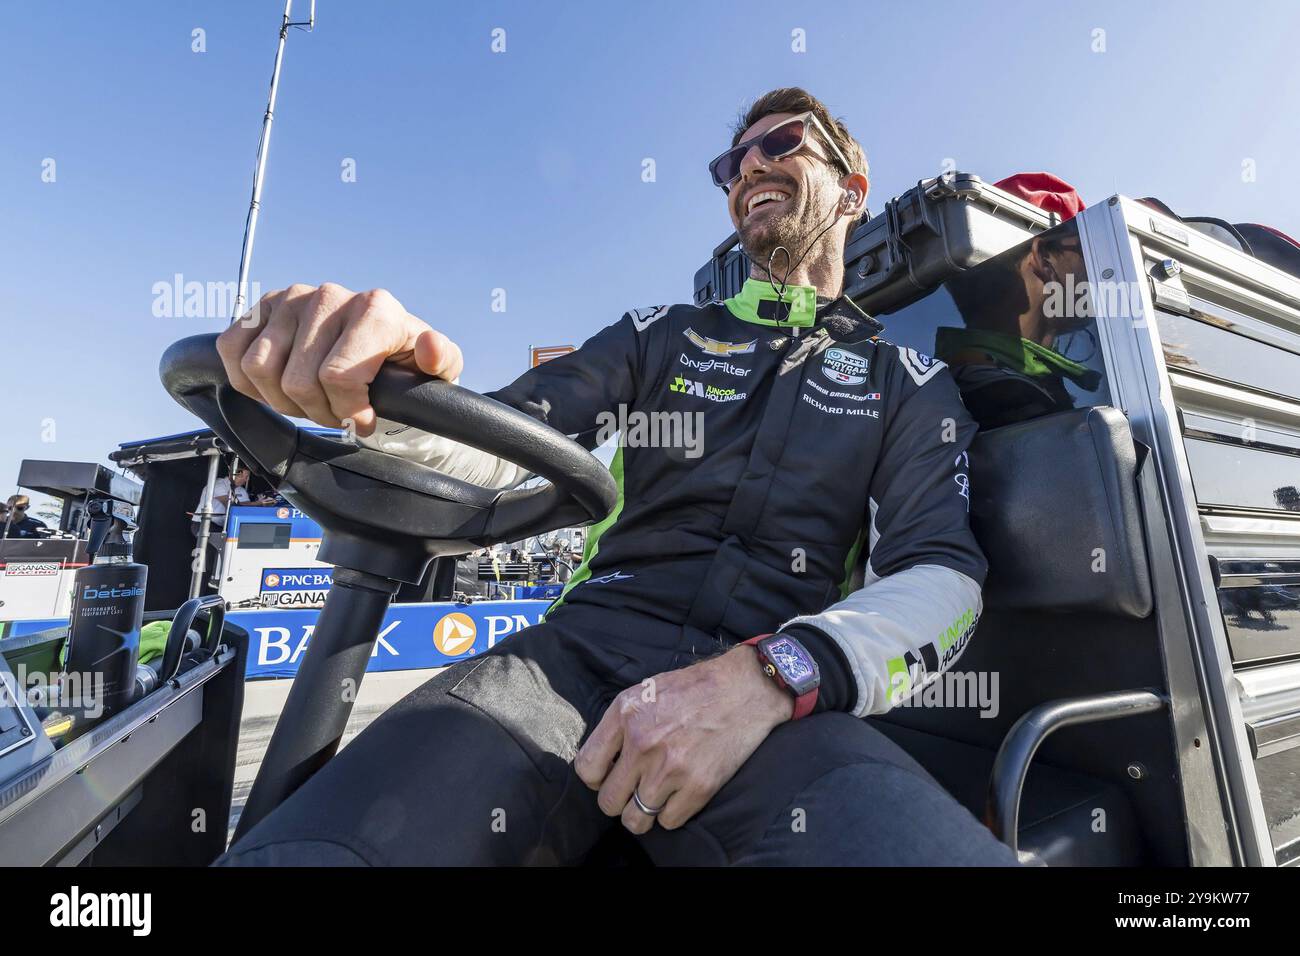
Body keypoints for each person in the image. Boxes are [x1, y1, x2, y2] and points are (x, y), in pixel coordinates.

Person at [213, 87, 1014, 866]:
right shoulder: (658, 335)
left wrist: (773, 675)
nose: (747, 170)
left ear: (851, 190)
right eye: (731, 162)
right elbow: (498, 446)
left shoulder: (907, 379)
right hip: (568, 665)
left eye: (781, 143)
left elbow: (941, 574)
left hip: (774, 705)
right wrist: (380, 385)